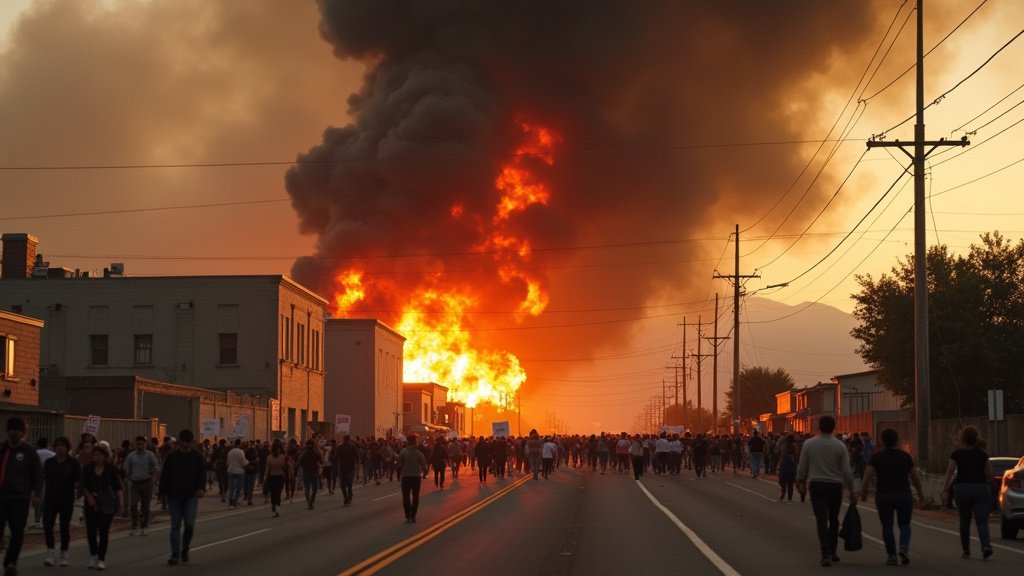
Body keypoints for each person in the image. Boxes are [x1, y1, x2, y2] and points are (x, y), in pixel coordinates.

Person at [795, 415, 856, 568]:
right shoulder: (839, 446)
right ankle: (833, 551)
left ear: (819, 427)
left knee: (821, 520)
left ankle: (825, 553)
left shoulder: (809, 444)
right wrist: (853, 490)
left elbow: (802, 466)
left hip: (817, 486)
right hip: (835, 486)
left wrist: (799, 480)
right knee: (834, 520)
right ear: (834, 427)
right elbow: (846, 470)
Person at [859, 428, 924, 566]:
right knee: (905, 524)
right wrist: (920, 494)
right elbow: (915, 477)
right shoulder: (905, 456)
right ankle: (903, 547)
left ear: (882, 441)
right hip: (903, 493)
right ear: (897, 440)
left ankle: (892, 556)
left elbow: (867, 476)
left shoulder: (877, 457)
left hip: (883, 494)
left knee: (887, 525)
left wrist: (863, 492)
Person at [941, 426, 994, 560]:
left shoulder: (957, 454)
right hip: (980, 488)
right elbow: (990, 473)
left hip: (962, 488)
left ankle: (966, 550)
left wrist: (945, 489)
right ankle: (986, 545)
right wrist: (990, 484)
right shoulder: (982, 454)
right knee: (982, 521)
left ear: (962, 438)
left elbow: (950, 471)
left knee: (965, 520)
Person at [0, 417, 43, 576]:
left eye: (17, 430)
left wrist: (37, 494)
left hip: (20, 498)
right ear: (7, 431)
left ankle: (11, 562)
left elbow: (38, 475)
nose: (14, 433)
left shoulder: (29, 451)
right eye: (11, 429)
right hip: (1, 497)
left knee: (17, 533)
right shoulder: (2, 449)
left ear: (23, 432)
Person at [159, 430, 206, 566]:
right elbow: (165, 475)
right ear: (179, 441)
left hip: (191, 495)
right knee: (175, 525)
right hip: (174, 495)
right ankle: (175, 554)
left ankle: (185, 547)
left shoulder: (197, 456)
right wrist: (162, 493)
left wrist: (201, 488)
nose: (185, 444)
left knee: (189, 524)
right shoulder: (172, 456)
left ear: (191, 442)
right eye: (183, 441)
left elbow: (201, 474)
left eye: (188, 442)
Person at [80, 445, 124, 570]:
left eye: (99, 454)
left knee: (104, 531)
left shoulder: (111, 469)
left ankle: (101, 558)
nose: (96, 457)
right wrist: (88, 496)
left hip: (108, 503)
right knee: (91, 532)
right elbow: (83, 485)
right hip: (91, 503)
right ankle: (93, 555)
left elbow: (118, 488)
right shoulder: (88, 468)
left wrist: (121, 503)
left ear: (105, 456)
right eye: (94, 455)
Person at [42, 437, 79, 567]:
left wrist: (78, 493)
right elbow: (43, 478)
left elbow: (78, 480)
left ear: (67, 448)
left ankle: (64, 553)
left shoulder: (73, 463)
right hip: (50, 499)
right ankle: (50, 552)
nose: (60, 448)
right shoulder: (49, 463)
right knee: (47, 525)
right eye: (57, 445)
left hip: (66, 499)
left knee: (64, 527)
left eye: (62, 445)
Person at [122, 436, 158, 536]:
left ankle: (144, 525)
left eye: (142, 444)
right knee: (133, 505)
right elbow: (126, 468)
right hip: (135, 483)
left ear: (145, 444)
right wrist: (128, 478)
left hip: (147, 483)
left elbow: (155, 467)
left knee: (145, 506)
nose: (140, 446)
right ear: (135, 445)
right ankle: (135, 525)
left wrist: (152, 478)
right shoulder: (131, 456)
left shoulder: (150, 455)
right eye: (138, 444)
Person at [397, 434, 428, 523]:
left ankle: (407, 514)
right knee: (415, 496)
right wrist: (425, 473)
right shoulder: (418, 453)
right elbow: (423, 465)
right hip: (416, 477)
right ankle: (413, 514)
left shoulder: (403, 452)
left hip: (406, 476)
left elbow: (399, 462)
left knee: (406, 496)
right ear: (415, 442)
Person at [333, 435, 359, 507]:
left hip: (344, 469)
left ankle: (346, 498)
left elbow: (336, 458)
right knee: (348, 484)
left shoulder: (340, 448)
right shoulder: (352, 447)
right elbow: (356, 458)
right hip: (349, 468)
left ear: (344, 439)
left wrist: (335, 468)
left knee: (343, 485)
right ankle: (348, 497)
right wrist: (357, 466)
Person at [297, 439, 323, 510]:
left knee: (307, 489)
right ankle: (311, 502)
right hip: (314, 472)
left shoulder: (303, 453)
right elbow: (321, 461)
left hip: (307, 472)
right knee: (314, 488)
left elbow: (300, 462)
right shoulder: (316, 452)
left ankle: (309, 503)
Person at [263, 441, 286, 517]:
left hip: (272, 476)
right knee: (278, 493)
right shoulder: (283, 457)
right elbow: (285, 468)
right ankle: (277, 508)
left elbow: (267, 469)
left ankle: (273, 505)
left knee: (273, 493)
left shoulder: (269, 458)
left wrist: (265, 477)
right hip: (280, 477)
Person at [225, 439, 247, 509]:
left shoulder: (230, 452)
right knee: (239, 488)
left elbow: (227, 463)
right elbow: (243, 462)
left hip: (231, 471)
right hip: (239, 471)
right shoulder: (241, 452)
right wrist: (247, 463)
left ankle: (230, 502)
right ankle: (235, 502)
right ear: (239, 444)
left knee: (232, 488)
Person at [777, 434, 798, 502]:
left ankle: (783, 492)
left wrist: (780, 467)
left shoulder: (784, 447)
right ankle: (789, 498)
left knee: (782, 481)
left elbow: (782, 457)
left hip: (784, 465)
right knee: (790, 483)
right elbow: (796, 457)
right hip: (792, 466)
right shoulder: (795, 446)